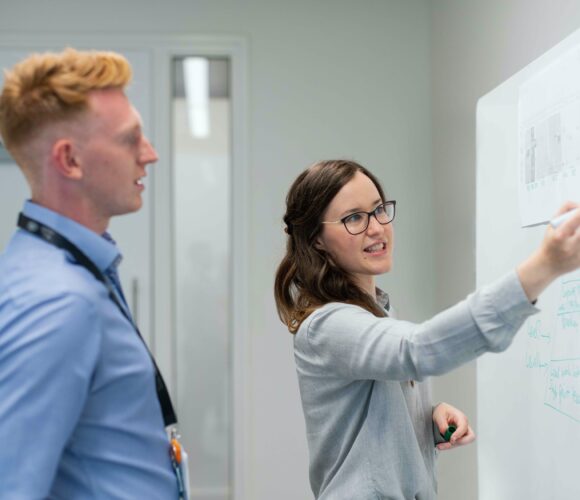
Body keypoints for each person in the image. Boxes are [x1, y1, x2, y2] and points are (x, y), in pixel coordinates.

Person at [274, 159, 580, 500]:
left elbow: (368, 430)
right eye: (354, 218)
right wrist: (543, 268)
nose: (376, 228)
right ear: (316, 239)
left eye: (378, 210)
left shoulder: (379, 312)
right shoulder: (326, 326)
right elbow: (416, 350)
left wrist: (424, 418)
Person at [0, 49, 181, 498]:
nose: (150, 154)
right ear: (70, 161)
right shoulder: (58, 301)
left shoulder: (66, 271)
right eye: (130, 139)